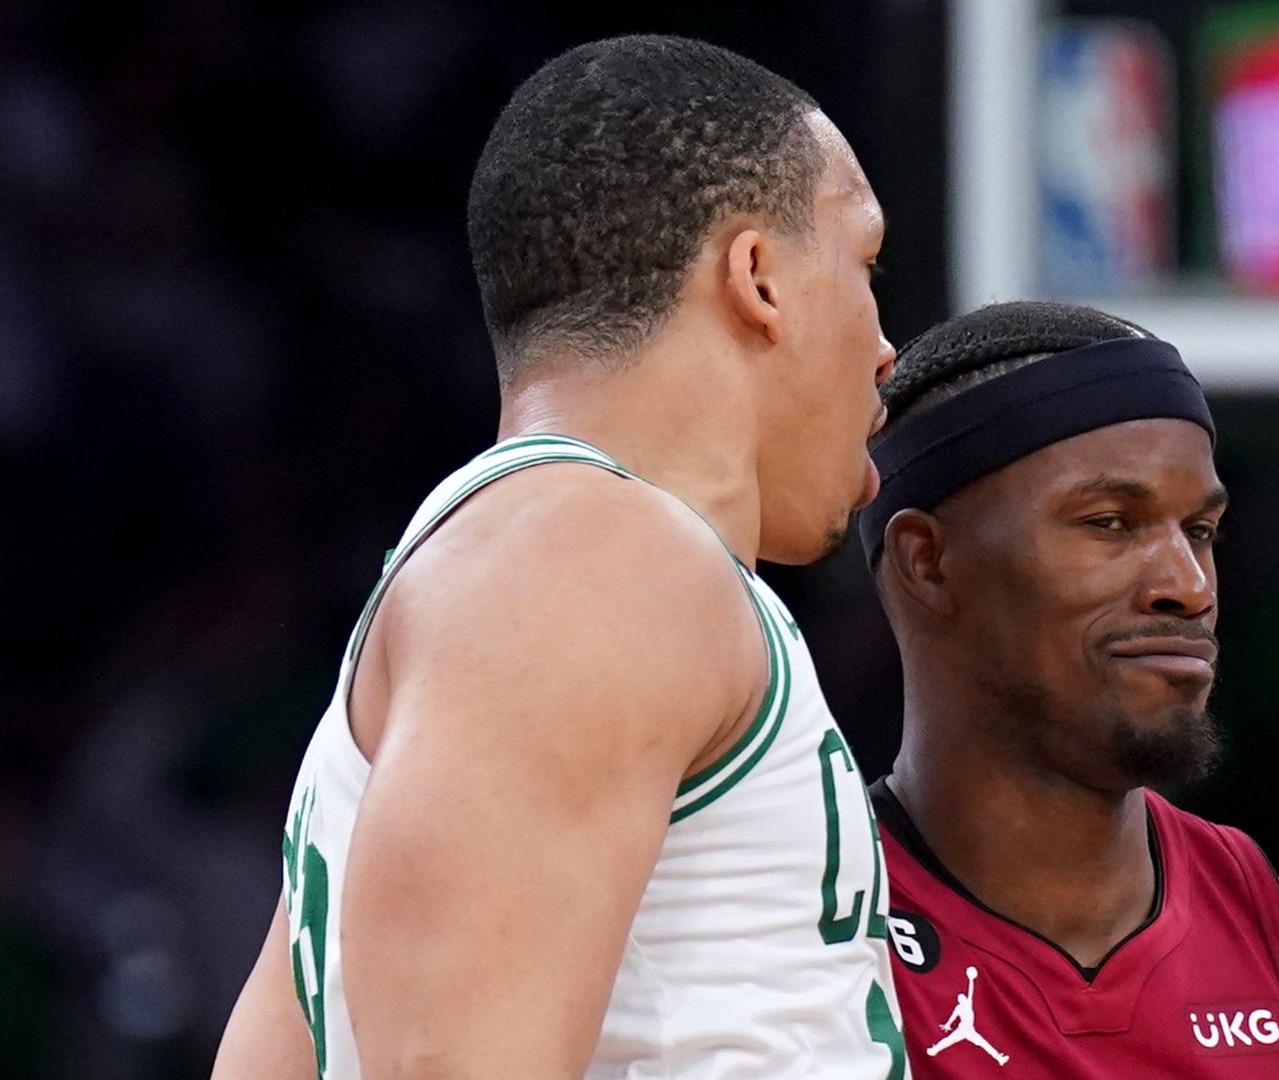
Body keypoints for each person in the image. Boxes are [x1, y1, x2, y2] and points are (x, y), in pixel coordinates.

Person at [213, 35, 907, 1079]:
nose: (888, 345)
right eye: (865, 267)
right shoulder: (597, 560)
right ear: (758, 276)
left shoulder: (521, 566)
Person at [860, 301, 1279, 1079]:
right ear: (928, 562)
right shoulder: (793, 958)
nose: (1189, 585)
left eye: (1200, 532)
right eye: (1109, 523)